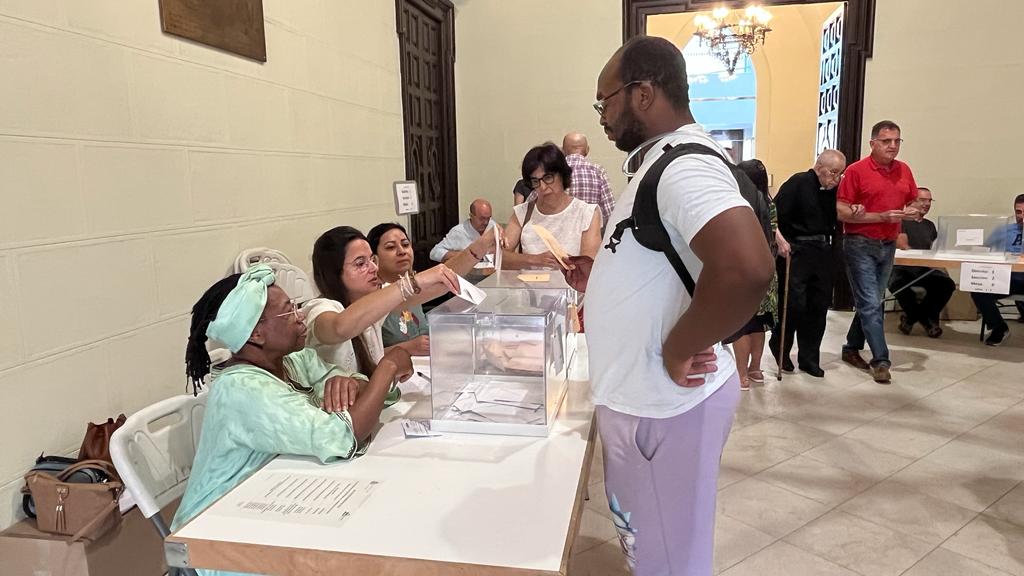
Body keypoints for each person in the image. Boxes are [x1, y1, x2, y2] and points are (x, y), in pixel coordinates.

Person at [571, 36, 773, 575]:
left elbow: (746, 266)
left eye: (605, 101)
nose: (603, 118)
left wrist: (682, 344)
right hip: (644, 401)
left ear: (642, 93)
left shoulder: (683, 165)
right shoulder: (655, 164)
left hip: (665, 405)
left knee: (668, 560)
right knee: (649, 546)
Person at [173, 265, 415, 569]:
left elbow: (363, 395)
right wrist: (389, 366)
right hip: (218, 538)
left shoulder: (296, 360)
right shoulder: (243, 388)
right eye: (290, 312)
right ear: (256, 333)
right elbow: (343, 435)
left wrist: (355, 383)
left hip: (274, 503)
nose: (302, 318)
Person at [305, 225, 495, 373]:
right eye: (360, 264)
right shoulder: (320, 309)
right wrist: (409, 283)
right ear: (333, 274)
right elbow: (340, 327)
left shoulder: (373, 298)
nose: (373, 268)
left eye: (372, 260)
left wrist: (480, 247)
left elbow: (441, 283)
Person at [837, 120, 921, 384]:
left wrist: (915, 210)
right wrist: (880, 216)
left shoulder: (903, 170)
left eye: (897, 141)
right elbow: (841, 211)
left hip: (888, 244)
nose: (893, 146)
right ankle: (881, 360)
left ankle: (851, 347)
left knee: (870, 302)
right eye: (886, 141)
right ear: (873, 143)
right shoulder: (856, 171)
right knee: (871, 303)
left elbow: (915, 200)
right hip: (860, 243)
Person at [770, 149, 846, 377]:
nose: (836, 178)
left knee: (818, 305)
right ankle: (780, 347)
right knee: (794, 304)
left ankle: (809, 357)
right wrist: (782, 244)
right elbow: (774, 216)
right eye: (833, 172)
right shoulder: (798, 182)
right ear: (820, 167)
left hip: (823, 251)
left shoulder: (834, 191)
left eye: (840, 174)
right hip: (797, 251)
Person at [725, 159, 790, 389]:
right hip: (766, 269)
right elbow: (773, 231)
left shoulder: (736, 203)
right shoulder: (769, 203)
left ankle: (741, 374)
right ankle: (756, 369)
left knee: (741, 323)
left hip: (741, 269)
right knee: (759, 323)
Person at [502, 143, 603, 269]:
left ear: (562, 175)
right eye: (535, 181)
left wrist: (564, 261)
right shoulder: (523, 213)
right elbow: (500, 258)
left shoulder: (587, 213)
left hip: (570, 288)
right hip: (529, 287)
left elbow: (589, 268)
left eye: (548, 178)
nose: (543, 187)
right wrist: (534, 260)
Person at [890, 187, 955, 338]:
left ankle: (911, 318)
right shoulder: (901, 220)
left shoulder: (930, 225)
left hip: (923, 268)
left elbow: (935, 249)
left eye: (929, 200)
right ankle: (927, 321)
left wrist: (940, 265)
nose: (927, 204)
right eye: (922, 200)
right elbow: (902, 245)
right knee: (898, 284)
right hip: (901, 267)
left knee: (946, 284)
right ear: (911, 201)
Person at [971, 193, 1024, 345]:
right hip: (1008, 278)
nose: (1021, 216)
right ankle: (999, 328)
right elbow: (984, 249)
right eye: (1018, 212)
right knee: (978, 289)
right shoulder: (1004, 230)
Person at [562, 132, 616, 225]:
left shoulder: (554, 173)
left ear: (563, 151)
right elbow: (610, 211)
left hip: (559, 235)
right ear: (587, 150)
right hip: (591, 232)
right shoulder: (598, 171)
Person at [429, 199, 496, 263]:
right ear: (471, 216)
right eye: (482, 218)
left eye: (488, 218)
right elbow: (434, 253)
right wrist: (464, 255)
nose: (486, 222)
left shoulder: (492, 225)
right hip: (468, 272)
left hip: (490, 270)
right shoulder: (458, 232)